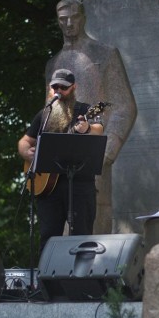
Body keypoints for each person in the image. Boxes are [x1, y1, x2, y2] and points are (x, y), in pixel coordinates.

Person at [46, 0, 137, 234]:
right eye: (62, 19)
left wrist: (109, 147)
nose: (68, 24)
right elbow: (48, 113)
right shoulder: (52, 64)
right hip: (56, 165)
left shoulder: (104, 54)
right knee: (58, 233)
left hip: (91, 155)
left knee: (92, 229)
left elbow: (124, 105)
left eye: (73, 17)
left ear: (83, 17)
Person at [18, 69, 104, 252]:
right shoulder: (44, 114)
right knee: (48, 238)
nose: (58, 91)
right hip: (48, 190)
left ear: (73, 88)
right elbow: (24, 141)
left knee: (81, 237)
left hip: (79, 186)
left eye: (63, 87)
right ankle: (47, 280)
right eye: (55, 87)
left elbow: (98, 130)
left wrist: (86, 128)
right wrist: (27, 153)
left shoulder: (85, 109)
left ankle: (79, 279)